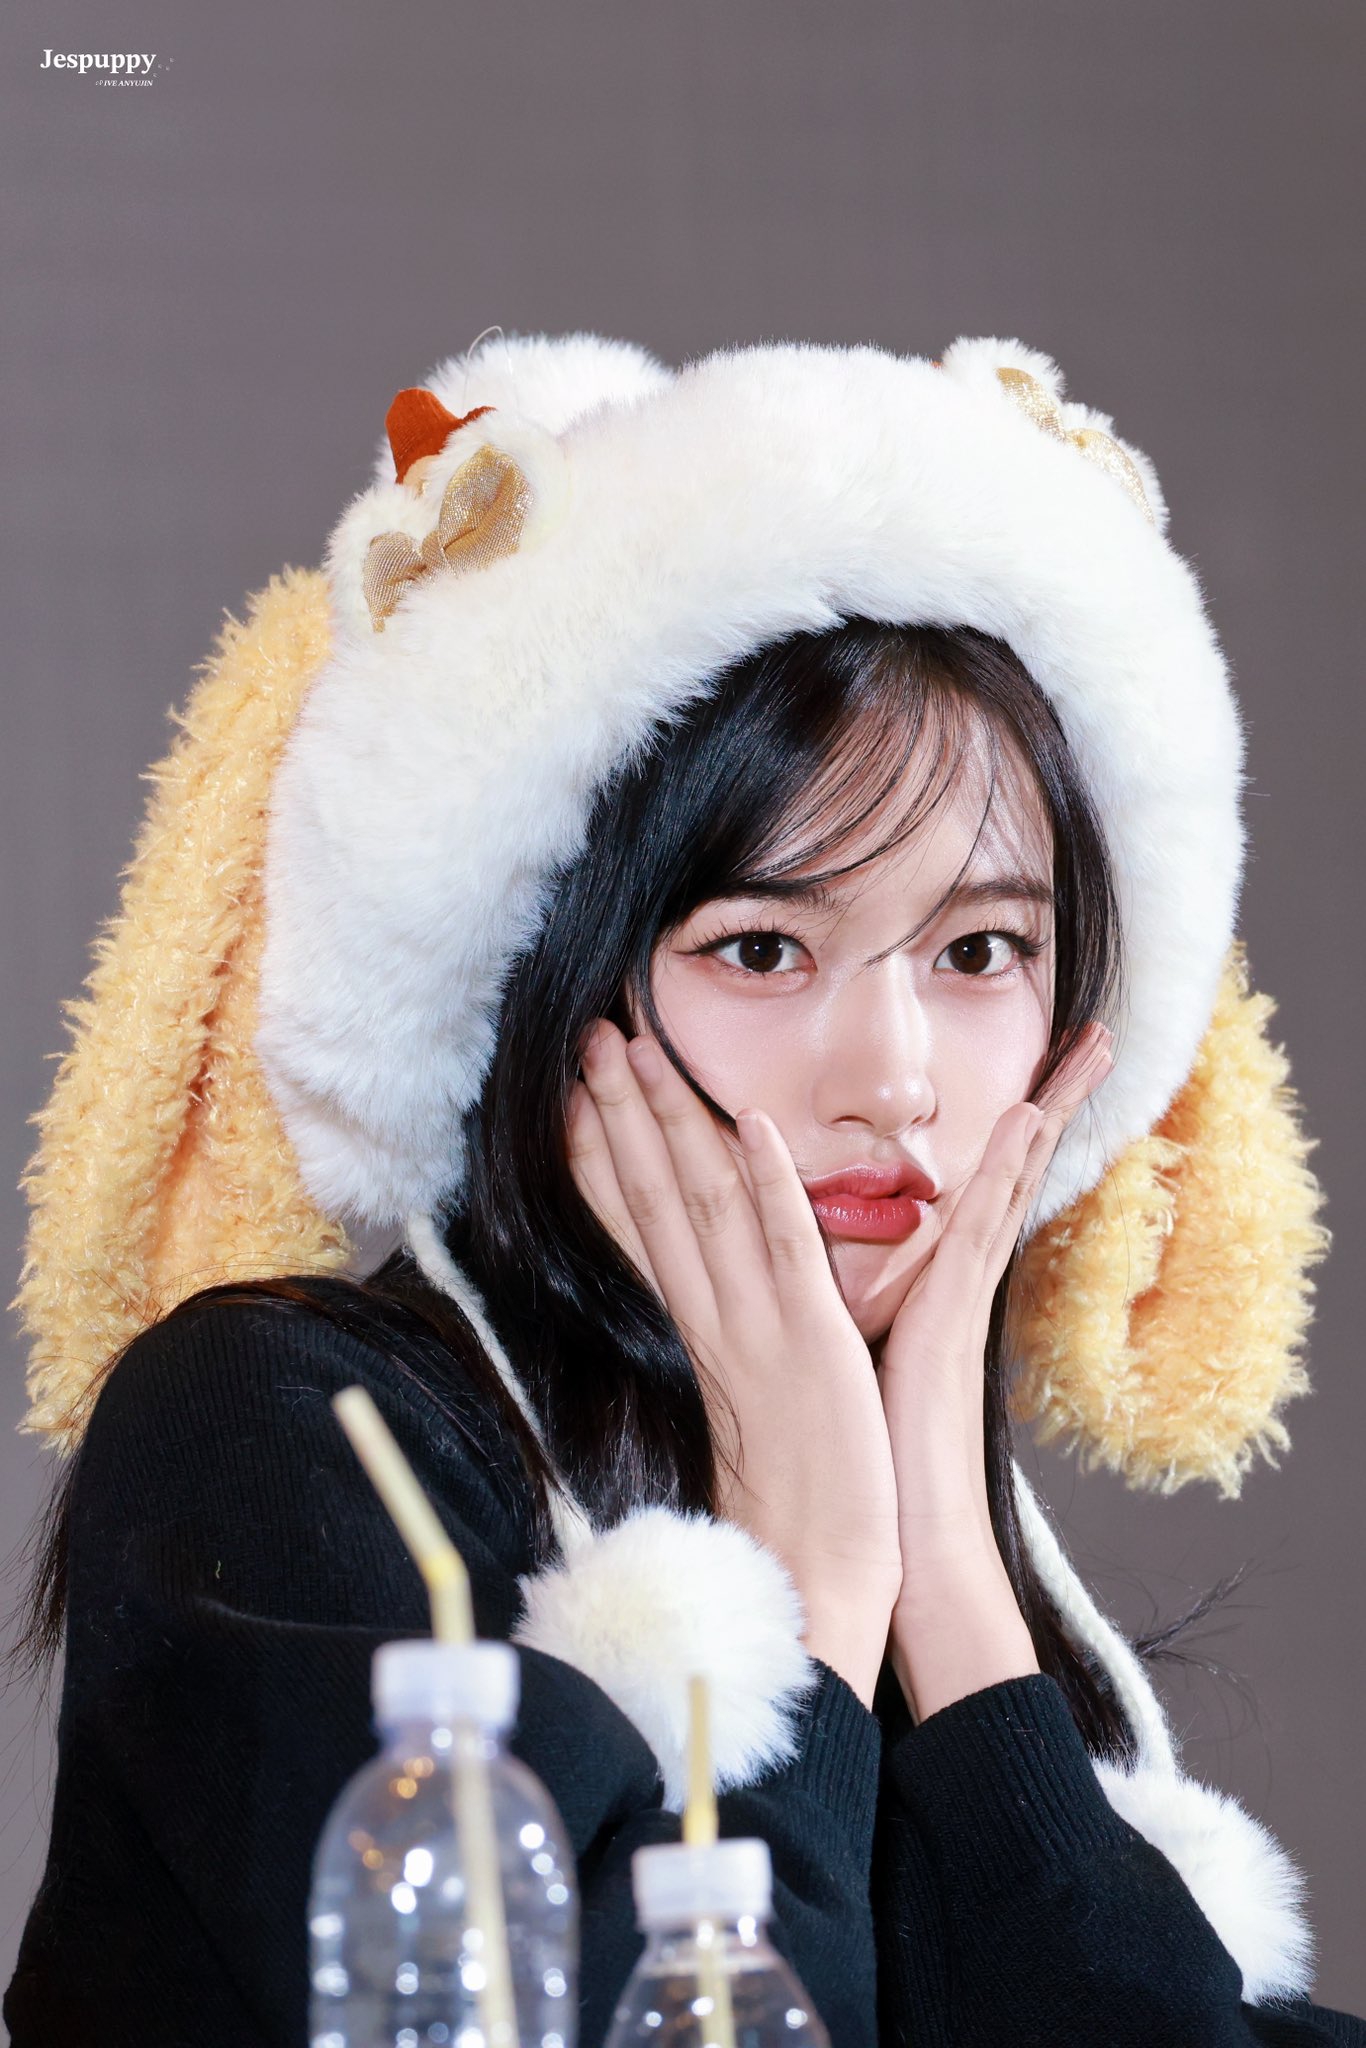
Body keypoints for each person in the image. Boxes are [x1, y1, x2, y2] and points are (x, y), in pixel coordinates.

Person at [5, 330, 1361, 2047]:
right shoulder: (295, 1437)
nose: (893, 1081)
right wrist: (802, 1593)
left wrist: (950, 1591)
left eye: (978, 951)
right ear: (544, 975)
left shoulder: (960, 1570)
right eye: (762, 947)